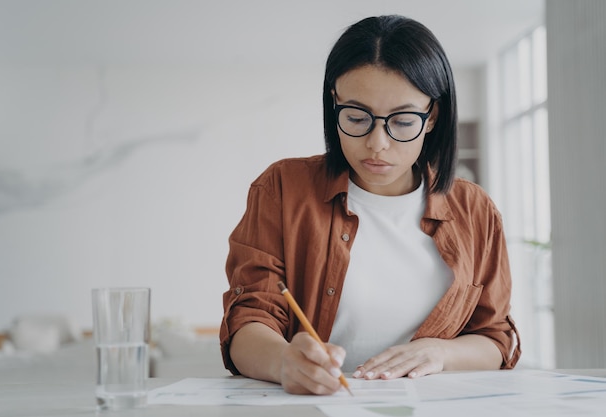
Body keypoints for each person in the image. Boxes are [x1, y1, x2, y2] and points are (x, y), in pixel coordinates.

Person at [219, 15, 521, 395]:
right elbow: (248, 320)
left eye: (403, 121)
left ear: (433, 117)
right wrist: (283, 362)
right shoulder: (282, 189)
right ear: (334, 104)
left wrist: (440, 353)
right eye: (358, 117)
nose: (378, 143)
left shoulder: (474, 209)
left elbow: (496, 339)